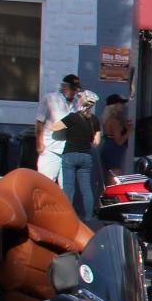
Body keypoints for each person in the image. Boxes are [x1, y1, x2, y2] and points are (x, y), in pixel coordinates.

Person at [58, 90, 99, 219]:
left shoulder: (72, 117)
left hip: (70, 154)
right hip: (86, 156)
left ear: (81, 101)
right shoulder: (94, 120)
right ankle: (88, 218)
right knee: (86, 189)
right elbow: (96, 142)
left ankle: (66, 217)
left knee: (68, 188)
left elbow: (54, 127)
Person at [35, 73, 78, 181]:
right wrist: (39, 143)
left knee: (66, 187)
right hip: (50, 148)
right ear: (64, 86)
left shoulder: (77, 103)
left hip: (68, 150)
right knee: (46, 183)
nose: (74, 91)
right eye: (72, 88)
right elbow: (39, 121)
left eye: (76, 89)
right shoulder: (50, 99)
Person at [99, 94, 131, 182]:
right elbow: (119, 141)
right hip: (113, 150)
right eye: (120, 103)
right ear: (114, 105)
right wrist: (129, 132)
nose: (122, 106)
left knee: (112, 176)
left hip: (110, 149)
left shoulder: (111, 119)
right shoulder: (114, 121)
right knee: (115, 178)